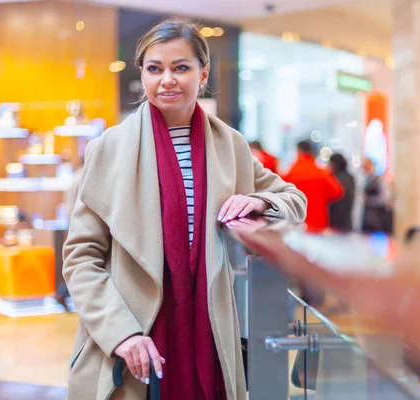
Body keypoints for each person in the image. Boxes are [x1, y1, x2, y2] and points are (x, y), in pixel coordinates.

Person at [62, 19, 307, 400]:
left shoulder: (231, 146)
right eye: (154, 68)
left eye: (181, 67)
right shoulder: (108, 149)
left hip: (210, 330)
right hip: (135, 334)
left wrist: (260, 200)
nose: (167, 80)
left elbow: (294, 200)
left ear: (203, 73)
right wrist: (120, 332)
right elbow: (81, 257)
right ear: (141, 74)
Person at [282, 141, 343, 232]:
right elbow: (337, 192)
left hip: (296, 222)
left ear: (298, 151)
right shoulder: (321, 172)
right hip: (318, 223)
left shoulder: (292, 172)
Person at [54, 155, 85, 311]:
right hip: (79, 224)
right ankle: (62, 292)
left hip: (73, 223)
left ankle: (62, 292)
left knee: (75, 261)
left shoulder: (76, 177)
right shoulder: (85, 177)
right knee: (80, 262)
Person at [327, 153, 356, 232]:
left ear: (334, 164)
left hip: (336, 222)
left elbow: (338, 203)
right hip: (347, 221)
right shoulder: (350, 178)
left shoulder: (335, 178)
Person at [361, 158, 390, 233]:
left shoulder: (378, 180)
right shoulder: (366, 180)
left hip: (376, 217)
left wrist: (369, 200)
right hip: (367, 216)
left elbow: (384, 198)